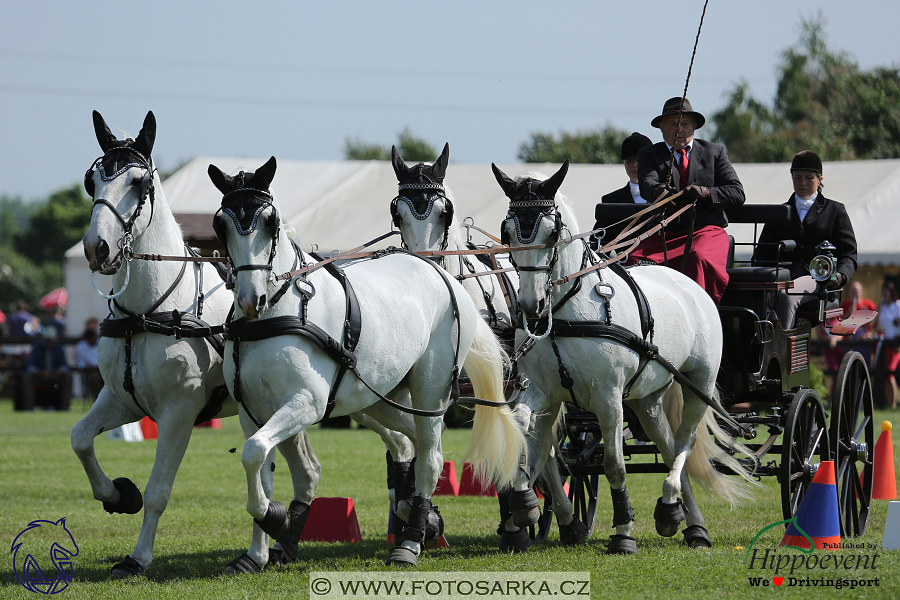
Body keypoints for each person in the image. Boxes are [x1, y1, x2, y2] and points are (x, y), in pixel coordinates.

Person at [630, 97, 746, 304]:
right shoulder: (649, 154)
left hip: (706, 231)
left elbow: (737, 193)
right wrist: (658, 191)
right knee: (635, 260)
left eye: (684, 124)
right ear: (661, 127)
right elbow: (647, 183)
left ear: (694, 127)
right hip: (665, 233)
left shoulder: (714, 152)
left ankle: (700, 315)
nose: (679, 130)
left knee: (700, 258)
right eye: (672, 124)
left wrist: (705, 193)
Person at [752, 151, 857, 330]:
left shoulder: (835, 211)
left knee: (788, 296)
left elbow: (849, 255)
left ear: (820, 179)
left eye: (809, 178)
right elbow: (762, 254)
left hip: (818, 280)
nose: (802, 183)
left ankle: (779, 350)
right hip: (782, 277)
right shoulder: (779, 213)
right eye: (797, 177)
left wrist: (838, 276)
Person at [591, 132, 653, 249]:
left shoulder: (667, 194)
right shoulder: (611, 201)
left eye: (638, 160)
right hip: (625, 265)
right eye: (628, 161)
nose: (634, 165)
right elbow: (598, 244)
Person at [22, 326, 71, 411]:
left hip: (55, 375)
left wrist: (57, 372)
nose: (48, 342)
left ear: (54, 339)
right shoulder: (37, 348)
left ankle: (64, 408)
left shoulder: (59, 349)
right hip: (40, 376)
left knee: (68, 377)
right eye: (47, 340)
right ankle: (29, 407)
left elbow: (64, 365)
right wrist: (41, 372)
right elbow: (30, 366)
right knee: (27, 377)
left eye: (50, 340)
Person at [875, 282, 900, 409]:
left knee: (890, 372)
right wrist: (878, 310)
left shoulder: (897, 305)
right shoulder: (882, 307)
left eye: (886, 292)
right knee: (885, 373)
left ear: (891, 292)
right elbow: (875, 325)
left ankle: (893, 403)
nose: (884, 294)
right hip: (884, 343)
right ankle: (887, 401)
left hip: (895, 343)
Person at [74, 318, 103, 401]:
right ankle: (99, 399)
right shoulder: (80, 347)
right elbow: (81, 365)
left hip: (104, 370)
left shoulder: (101, 343)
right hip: (91, 372)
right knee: (95, 377)